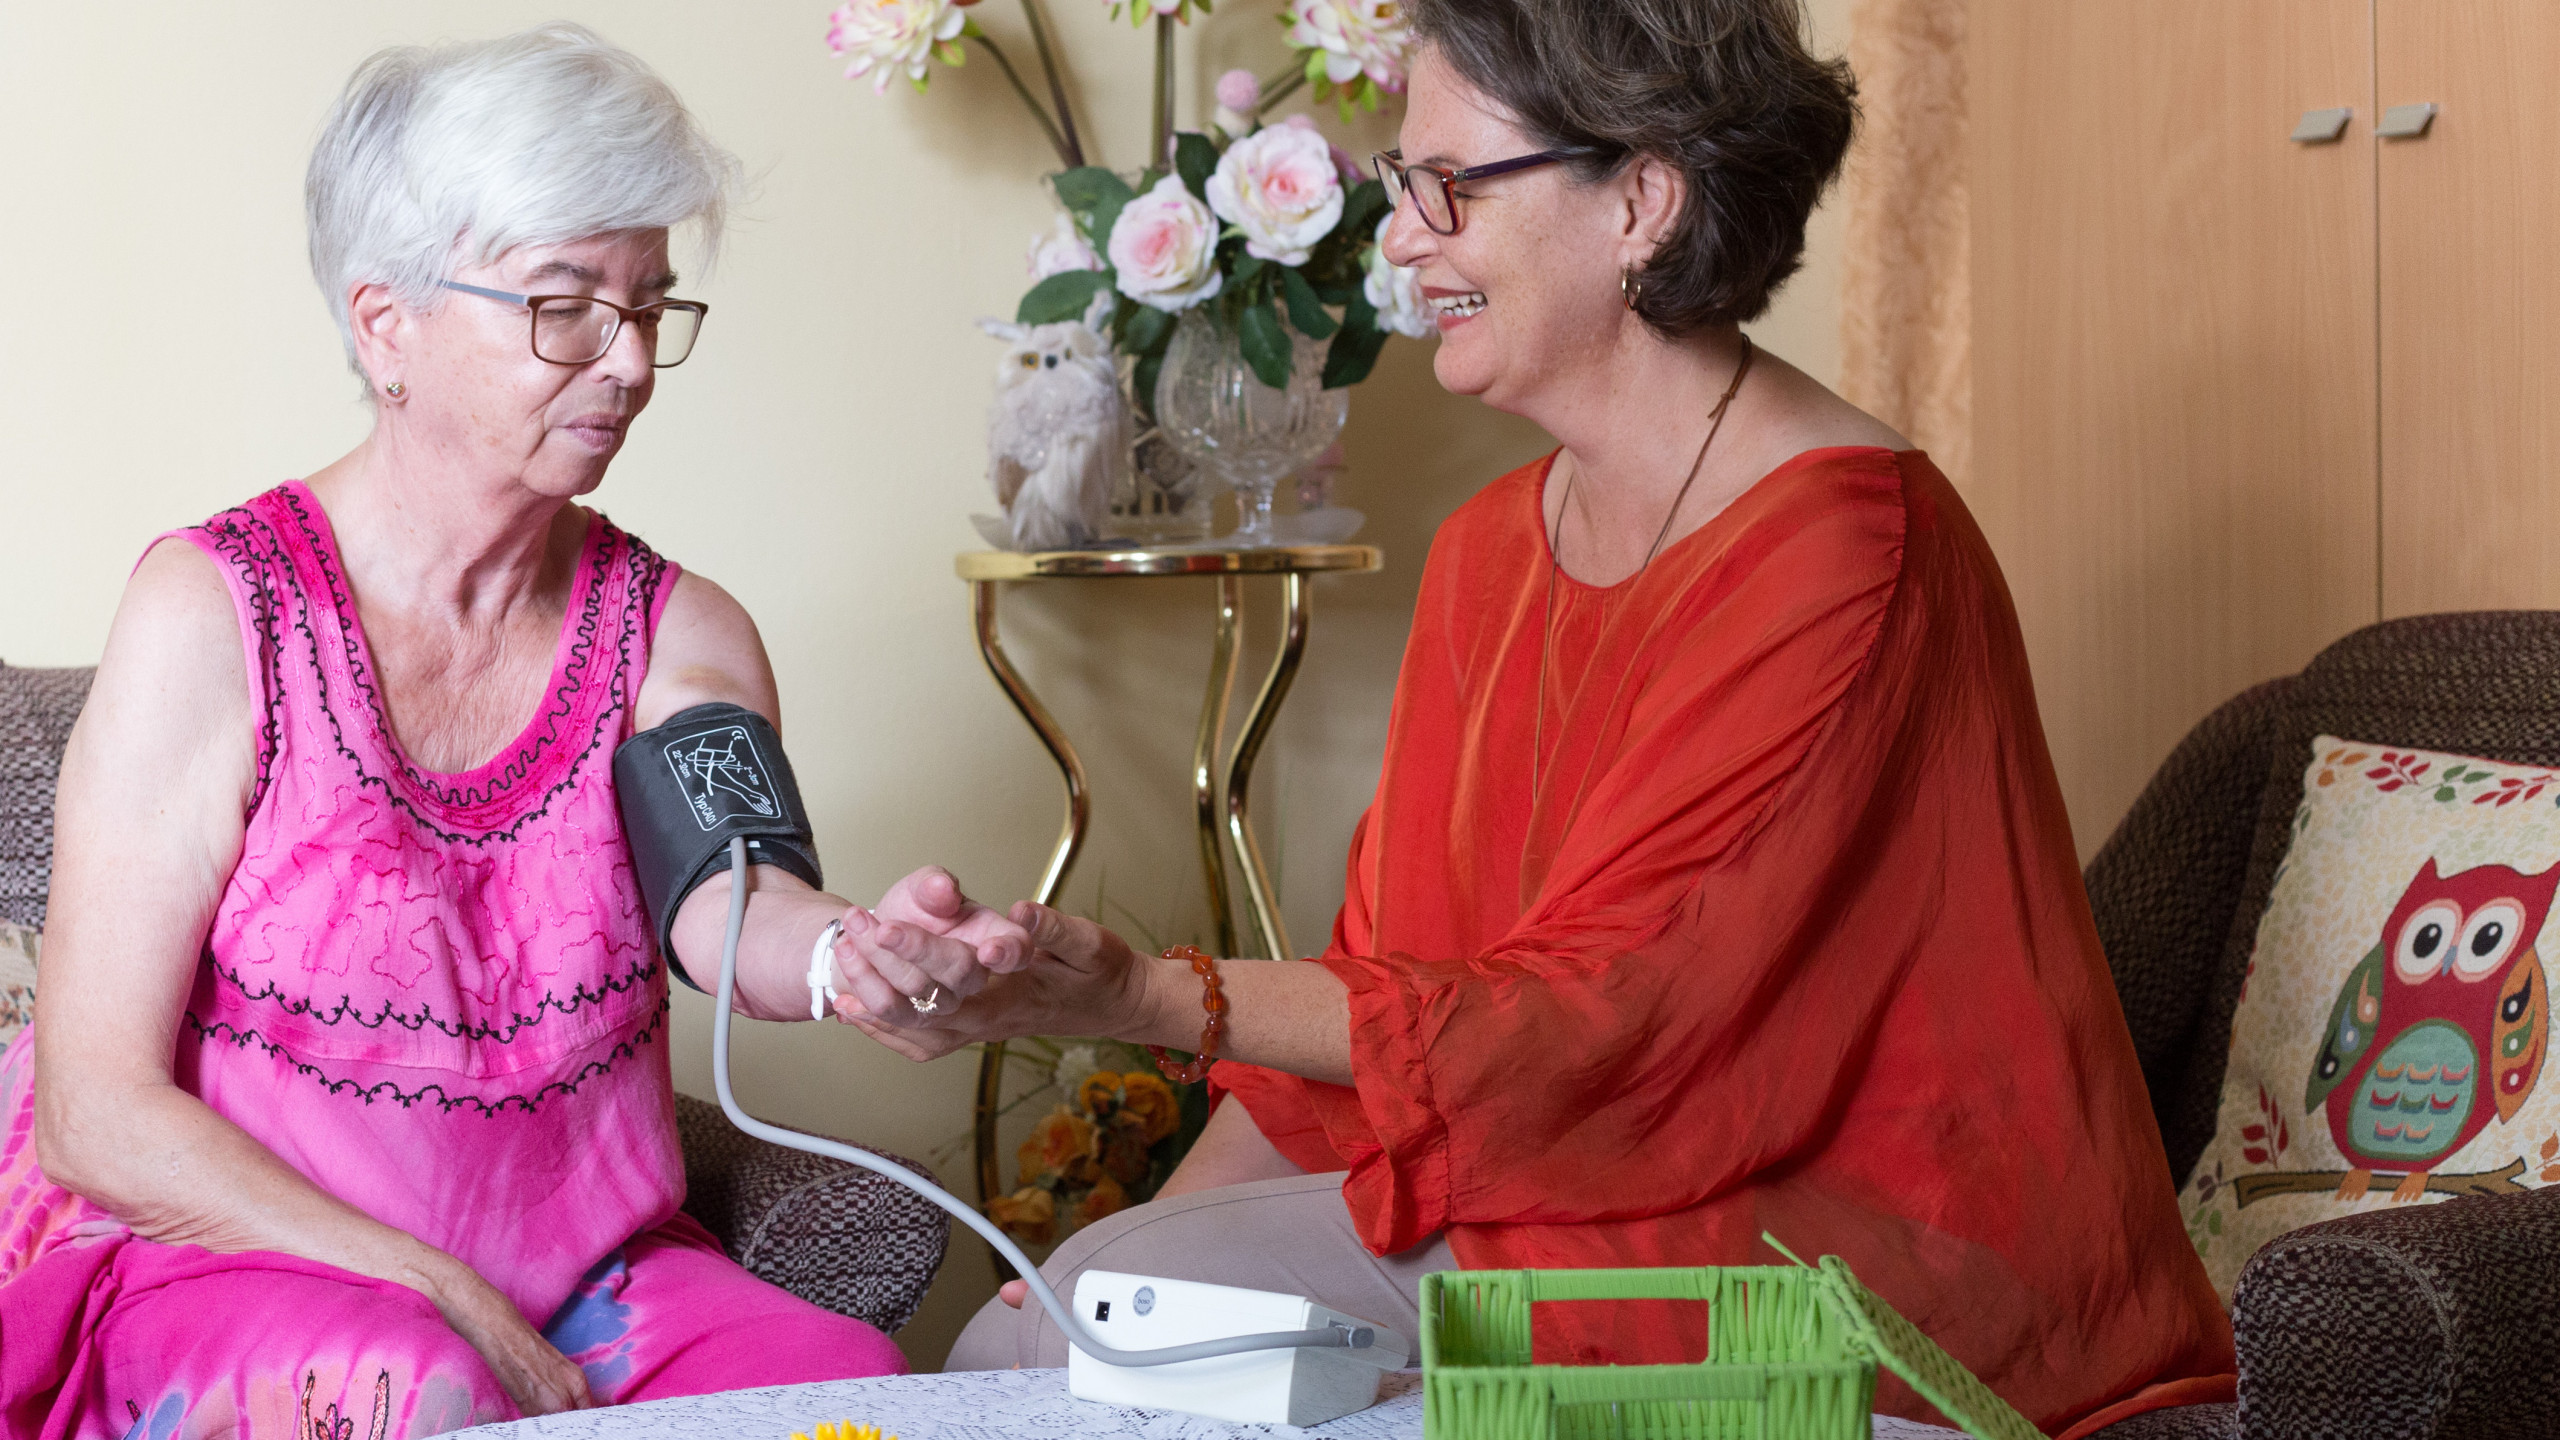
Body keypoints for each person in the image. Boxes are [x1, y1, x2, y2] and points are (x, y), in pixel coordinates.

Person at [825, 0, 2237, 1432]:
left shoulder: (1851, 549)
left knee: (1066, 1369)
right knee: (1055, 1347)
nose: (1402, 238)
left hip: (1847, 1266)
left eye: (1450, 186)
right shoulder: (1490, 546)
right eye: (1399, 189)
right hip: (1588, 1198)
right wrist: (1117, 1280)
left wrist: (1139, 997)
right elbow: (1377, 1002)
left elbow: (1601, 1023)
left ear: (1640, 199)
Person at [0, 26, 914, 1438]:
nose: (628, 363)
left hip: (586, 1283)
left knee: (851, 1399)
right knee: (417, 1387)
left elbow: (734, 909)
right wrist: (436, 1289)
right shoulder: (213, 616)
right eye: (565, 307)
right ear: (387, 325)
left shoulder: (680, 632)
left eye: (651, 305)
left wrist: (865, 954)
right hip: (244, 1266)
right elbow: (95, 1111)